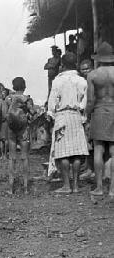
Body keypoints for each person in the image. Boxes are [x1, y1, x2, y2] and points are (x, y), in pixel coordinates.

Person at [47, 52, 89, 194]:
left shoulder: (57, 81)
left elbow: (52, 102)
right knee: (76, 152)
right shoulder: (82, 81)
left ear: (62, 65)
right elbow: (84, 102)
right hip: (76, 115)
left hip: (62, 115)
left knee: (64, 152)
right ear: (75, 64)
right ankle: (76, 186)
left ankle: (66, 185)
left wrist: (51, 114)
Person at [86, 42, 114, 199]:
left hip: (99, 111)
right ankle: (112, 190)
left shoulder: (93, 75)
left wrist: (86, 115)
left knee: (98, 149)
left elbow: (90, 100)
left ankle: (99, 187)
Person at [7, 77, 35, 194]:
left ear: (13, 87)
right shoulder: (27, 99)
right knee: (24, 157)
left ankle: (11, 188)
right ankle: (26, 188)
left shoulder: (9, 98)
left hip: (11, 130)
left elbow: (5, 113)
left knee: (12, 157)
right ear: (24, 86)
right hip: (23, 129)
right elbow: (33, 112)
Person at [78, 59, 95, 180]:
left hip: (92, 114)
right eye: (83, 69)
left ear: (92, 68)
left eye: (87, 69)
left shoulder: (93, 81)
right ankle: (88, 166)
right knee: (87, 143)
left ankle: (91, 169)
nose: (85, 71)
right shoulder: (83, 82)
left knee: (92, 144)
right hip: (86, 115)